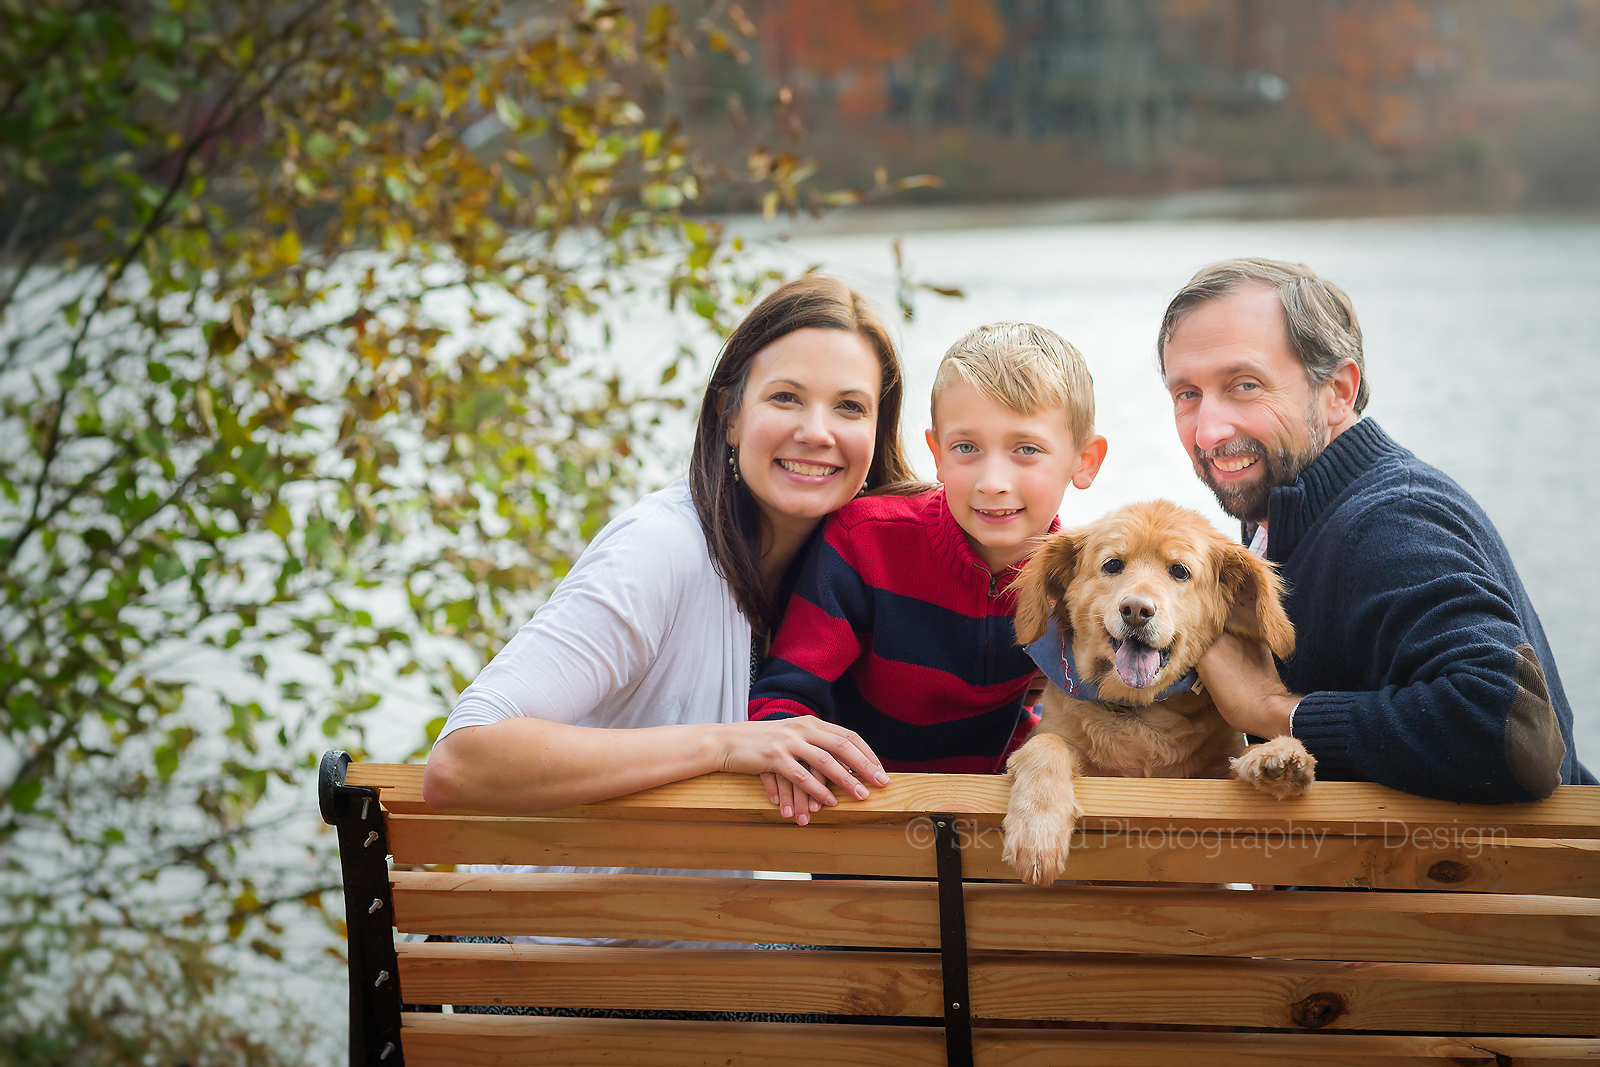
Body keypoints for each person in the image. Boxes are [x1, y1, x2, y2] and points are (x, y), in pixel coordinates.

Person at [422, 274, 920, 828]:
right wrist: (724, 745)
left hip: (710, 912)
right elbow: (461, 761)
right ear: (729, 416)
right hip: (569, 912)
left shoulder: (866, 581)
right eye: (786, 397)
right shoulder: (660, 549)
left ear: (879, 431)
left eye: (850, 407)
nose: (816, 431)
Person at [1158, 257, 1594, 803]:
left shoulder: (1391, 521)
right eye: (1187, 394)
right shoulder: (1282, 518)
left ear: (1338, 390)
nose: (1209, 429)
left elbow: (1513, 729)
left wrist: (1272, 709)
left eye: (1245, 385)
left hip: (1481, 886)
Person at [749, 322, 1108, 822]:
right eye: (967, 448)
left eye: (1026, 449)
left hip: (998, 829)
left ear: (1084, 461)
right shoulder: (866, 542)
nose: (993, 482)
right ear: (936, 453)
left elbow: (1098, 712)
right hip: (864, 825)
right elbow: (782, 700)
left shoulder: (1081, 583)